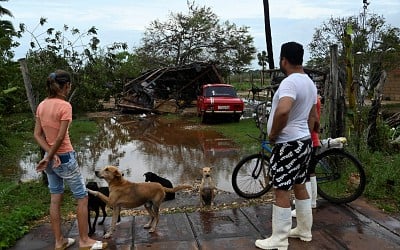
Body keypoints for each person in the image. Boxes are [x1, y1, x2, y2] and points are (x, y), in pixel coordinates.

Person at [34, 70, 107, 250]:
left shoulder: (42, 105)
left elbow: (37, 134)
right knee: (82, 197)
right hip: (64, 156)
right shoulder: (65, 106)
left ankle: (60, 241)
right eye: (69, 85)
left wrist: (48, 156)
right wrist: (54, 154)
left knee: (55, 198)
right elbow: (59, 138)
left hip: (50, 158)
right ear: (66, 86)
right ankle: (84, 240)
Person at [255, 42, 318, 250]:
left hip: (288, 143)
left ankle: (279, 240)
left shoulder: (290, 82)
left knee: (281, 188)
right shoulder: (309, 82)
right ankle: (303, 230)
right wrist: (306, 135)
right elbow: (313, 116)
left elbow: (283, 111)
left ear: (284, 60)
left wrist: (274, 134)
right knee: (300, 184)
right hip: (303, 142)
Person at [292, 94, 321, 217]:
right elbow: (316, 121)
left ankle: (307, 204)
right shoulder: (316, 98)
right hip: (313, 138)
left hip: (308, 138)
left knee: (305, 174)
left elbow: (311, 118)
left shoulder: (309, 99)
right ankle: (312, 201)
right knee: (310, 171)